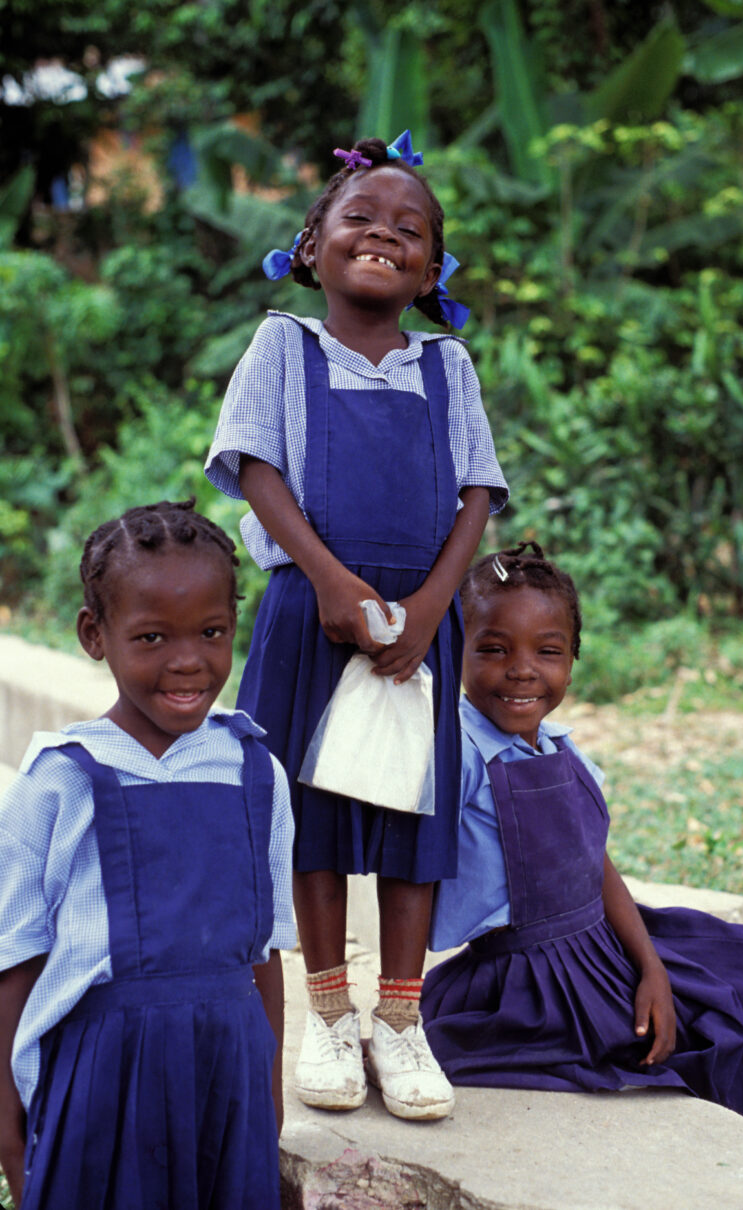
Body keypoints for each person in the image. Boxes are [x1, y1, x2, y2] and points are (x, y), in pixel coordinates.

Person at [205, 131, 507, 1120]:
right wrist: (332, 584)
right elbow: (256, 467)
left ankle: (401, 1021)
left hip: (419, 623)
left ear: (430, 268)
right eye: (359, 218)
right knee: (316, 821)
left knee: (410, 819)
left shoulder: (445, 365)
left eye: (407, 228)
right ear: (309, 244)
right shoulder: (282, 346)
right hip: (311, 612)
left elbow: (474, 495)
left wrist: (429, 608)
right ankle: (329, 1015)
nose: (382, 234)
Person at [420, 541, 743, 1140]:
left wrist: (651, 967)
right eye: (493, 649)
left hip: (609, 943)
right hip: (534, 984)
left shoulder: (563, 748)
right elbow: (407, 874)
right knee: (721, 1040)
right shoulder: (456, 752)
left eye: (548, 652)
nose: (522, 670)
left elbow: (594, 864)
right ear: (454, 651)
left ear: (573, 659)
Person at [0, 500, 296, 1209]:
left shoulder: (258, 773)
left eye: (212, 632)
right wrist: (8, 1124)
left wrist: (270, 1085)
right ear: (93, 635)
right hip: (102, 1082)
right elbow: (15, 959)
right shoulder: (62, 779)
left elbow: (267, 954)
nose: (188, 660)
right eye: (153, 636)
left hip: (227, 1074)